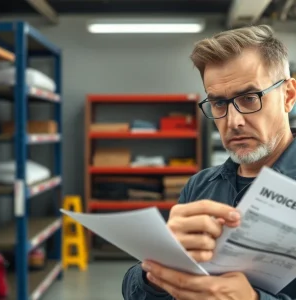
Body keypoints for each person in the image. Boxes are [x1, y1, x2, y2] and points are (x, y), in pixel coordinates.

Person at [122, 24, 296, 300]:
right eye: (218, 103)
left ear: (288, 96)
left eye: (250, 99)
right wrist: (155, 272)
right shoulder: (200, 186)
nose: (233, 121)